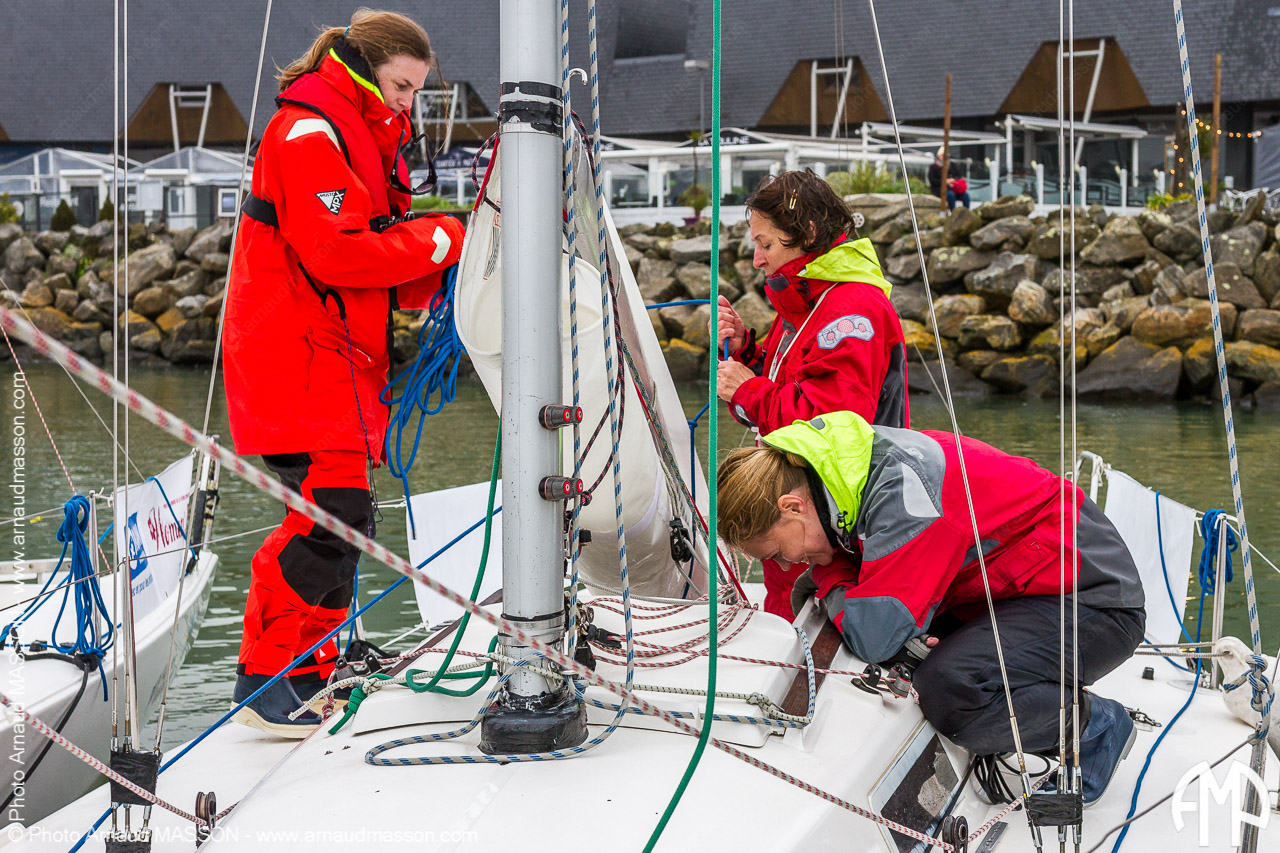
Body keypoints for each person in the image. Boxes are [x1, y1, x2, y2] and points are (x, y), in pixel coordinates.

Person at [223, 10, 465, 736]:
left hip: (335, 358)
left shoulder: (355, 133)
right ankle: (268, 678)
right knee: (329, 518)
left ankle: (314, 664)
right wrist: (444, 237)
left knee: (344, 519)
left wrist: (456, 260)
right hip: (297, 356)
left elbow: (376, 267)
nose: (409, 103)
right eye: (402, 86)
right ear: (365, 69)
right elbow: (337, 253)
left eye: (417, 91)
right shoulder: (309, 133)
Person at [717, 411, 1146, 805]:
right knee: (915, 650)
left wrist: (829, 571)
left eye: (777, 552)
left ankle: (1096, 727)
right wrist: (839, 575)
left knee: (949, 689)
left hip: (1093, 598)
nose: (786, 566)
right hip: (1020, 584)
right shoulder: (850, 472)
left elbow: (874, 636)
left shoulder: (905, 497)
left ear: (793, 507)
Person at [713, 170, 908, 621]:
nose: (757, 260)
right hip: (804, 507)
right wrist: (747, 352)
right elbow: (794, 381)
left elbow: (831, 423)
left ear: (807, 233)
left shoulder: (851, 310)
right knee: (790, 614)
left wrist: (746, 389)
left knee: (812, 625)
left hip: (833, 519)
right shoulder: (809, 303)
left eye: (765, 243)